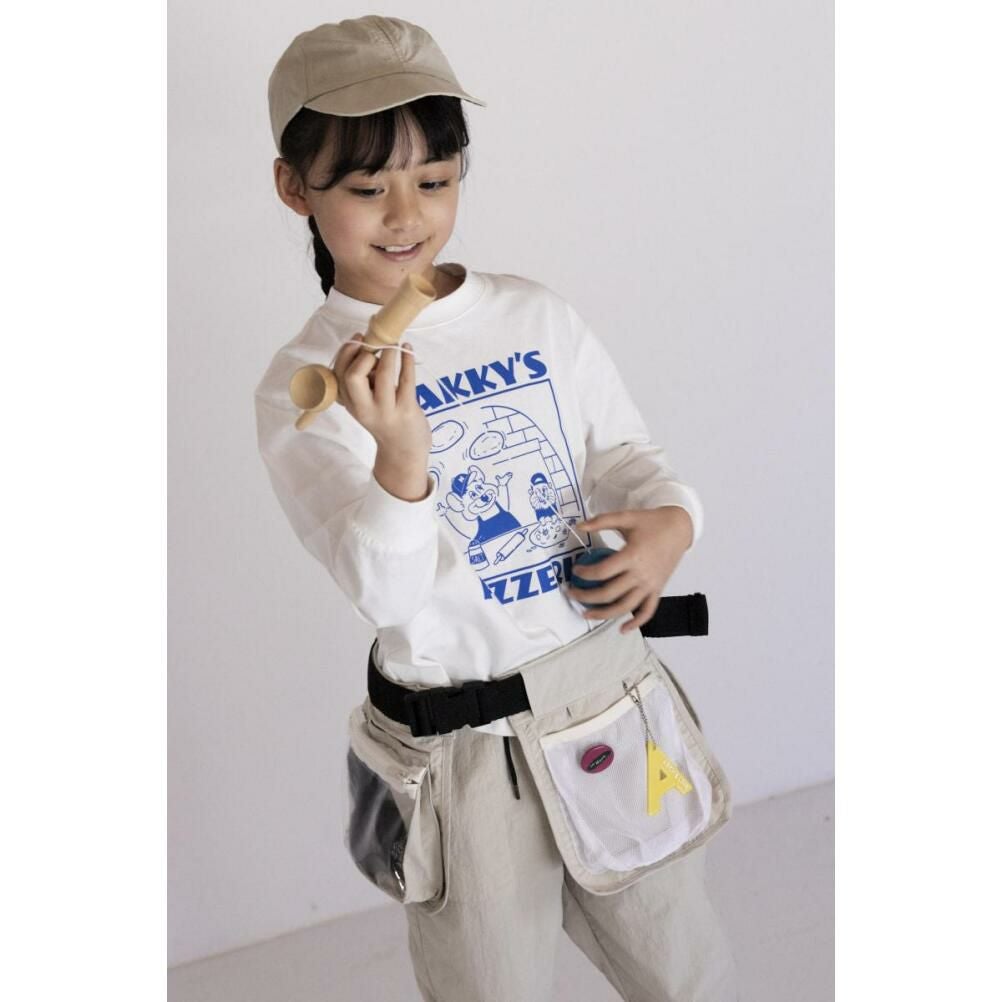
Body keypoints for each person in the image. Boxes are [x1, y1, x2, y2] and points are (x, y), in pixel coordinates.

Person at [255, 15, 739, 1002]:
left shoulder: (534, 315)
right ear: (295, 188)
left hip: (604, 693)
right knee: (488, 984)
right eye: (367, 187)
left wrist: (671, 524)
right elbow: (387, 598)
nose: (406, 215)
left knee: (682, 967)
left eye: (435, 180)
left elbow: (626, 458)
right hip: (457, 751)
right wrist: (402, 464)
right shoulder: (303, 387)